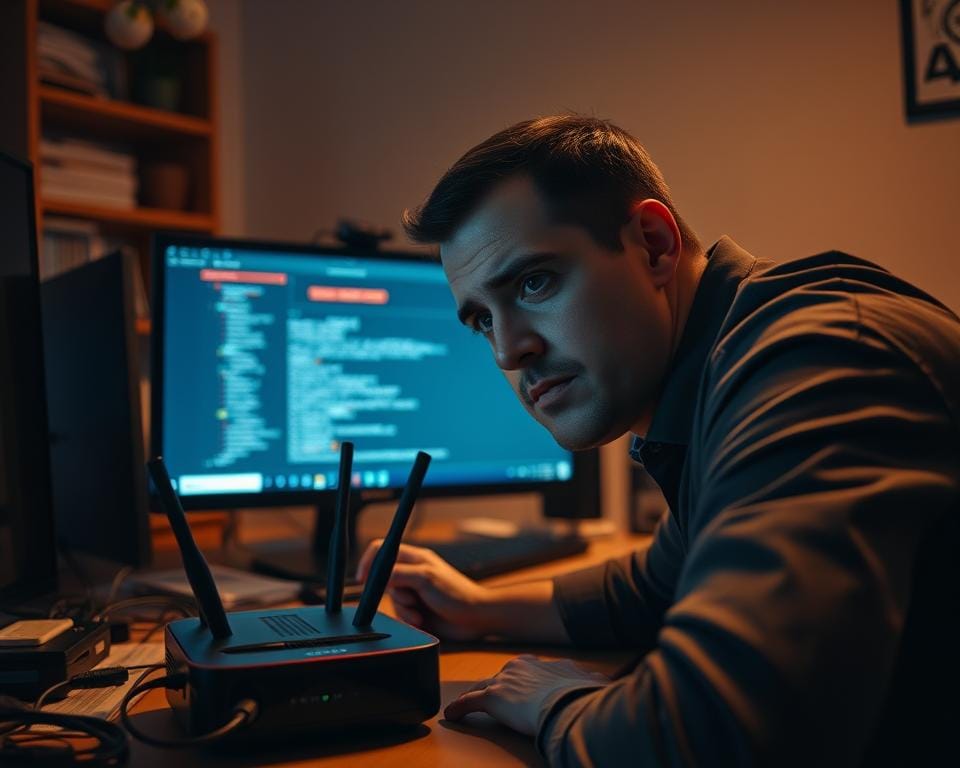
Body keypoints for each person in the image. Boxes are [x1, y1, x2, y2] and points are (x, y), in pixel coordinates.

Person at [356, 115, 960, 767]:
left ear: (653, 245)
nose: (508, 351)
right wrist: (480, 608)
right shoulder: (725, 370)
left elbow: (714, 735)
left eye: (534, 282)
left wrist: (555, 702)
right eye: (481, 320)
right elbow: (655, 584)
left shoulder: (819, 362)